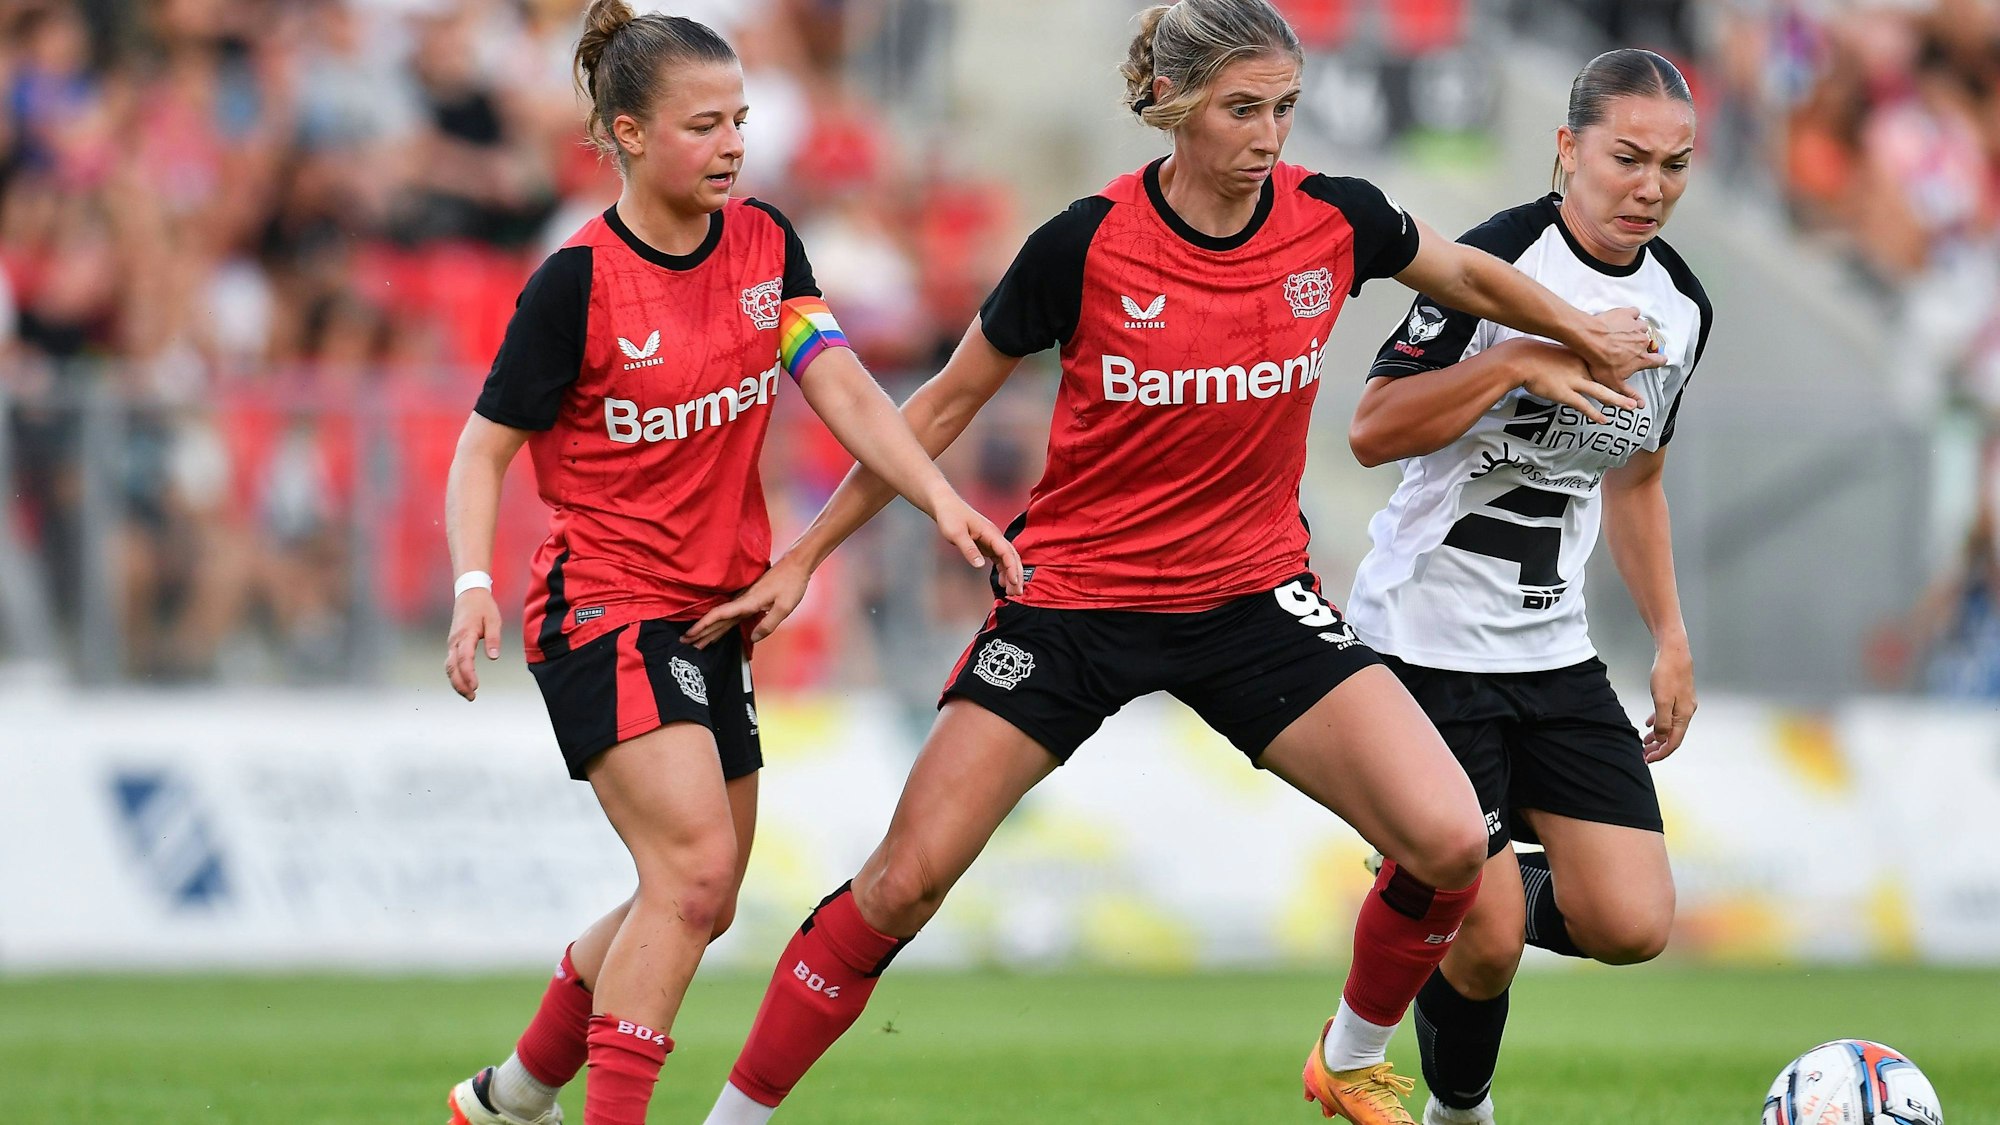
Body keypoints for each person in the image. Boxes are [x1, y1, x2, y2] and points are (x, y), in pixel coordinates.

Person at [681, 4, 1662, 1123]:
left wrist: (1574, 331)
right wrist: (806, 554)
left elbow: (1467, 277)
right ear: (1172, 106)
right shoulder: (1082, 245)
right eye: (1242, 109)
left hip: (1251, 601)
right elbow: (941, 406)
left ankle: (1346, 1059)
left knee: (1445, 839)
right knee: (903, 882)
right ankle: (734, 1118)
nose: (1268, 135)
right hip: (1075, 604)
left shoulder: (1334, 217)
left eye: (1284, 108)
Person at [437, 6, 1020, 1125]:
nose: (733, 145)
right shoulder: (577, 282)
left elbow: (841, 385)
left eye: (740, 120)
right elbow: (482, 447)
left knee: (698, 897)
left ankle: (512, 1095)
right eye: (703, 125)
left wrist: (939, 497)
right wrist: (471, 586)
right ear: (628, 134)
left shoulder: (763, 244)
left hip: (714, 612)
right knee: (694, 871)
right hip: (602, 602)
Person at [1343, 49, 1712, 1125]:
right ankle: (1459, 1106)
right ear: (1567, 149)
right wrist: (1512, 360)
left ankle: (1438, 888)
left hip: (1551, 651)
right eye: (1626, 158)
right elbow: (1372, 427)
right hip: (1423, 641)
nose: (1650, 187)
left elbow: (1636, 475)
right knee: (1491, 937)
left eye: (1674, 166)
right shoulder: (1496, 262)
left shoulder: (1679, 306)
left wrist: (1670, 635)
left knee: (1632, 924)